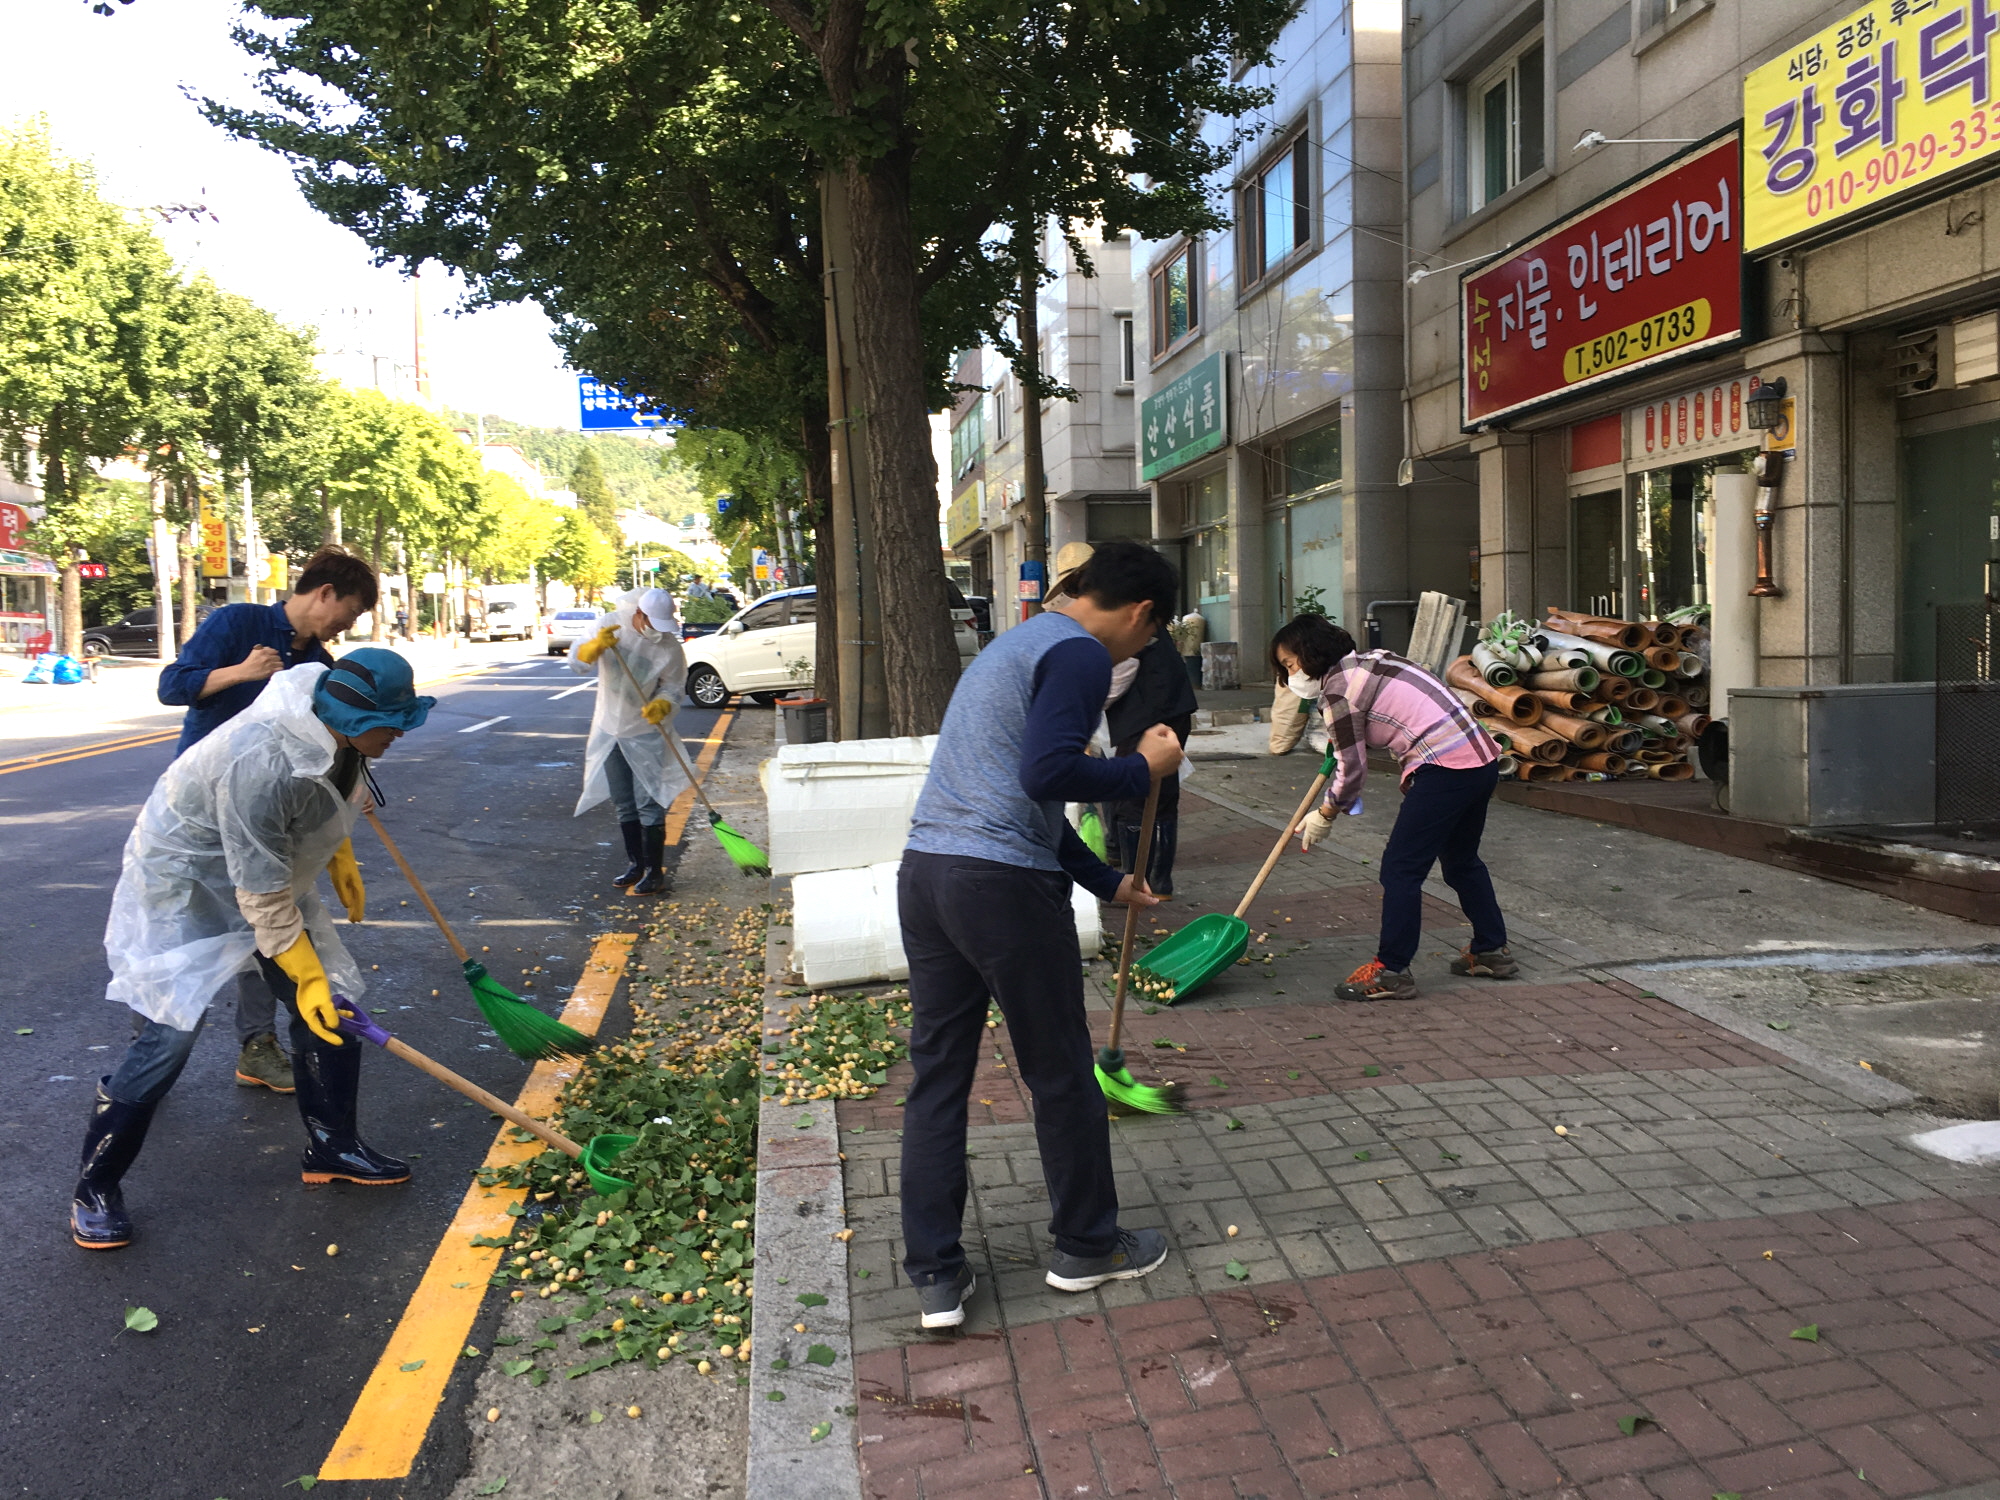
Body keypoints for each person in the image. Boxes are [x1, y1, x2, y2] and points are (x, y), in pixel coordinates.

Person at [898, 540, 1184, 1331]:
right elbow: (1046, 775)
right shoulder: (1080, 653)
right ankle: (1087, 1247)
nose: (1140, 651)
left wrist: (1105, 881)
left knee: (938, 1078)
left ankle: (935, 1275)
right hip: (1000, 890)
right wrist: (1142, 769)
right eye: (1149, 638)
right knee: (1059, 1070)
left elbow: (1014, 791)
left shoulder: (1012, 645)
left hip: (928, 875)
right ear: (1140, 613)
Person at [71, 649, 435, 1250]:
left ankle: (333, 1144)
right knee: (171, 1034)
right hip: (186, 888)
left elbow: (319, 806)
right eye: (393, 719)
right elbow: (261, 898)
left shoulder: (335, 731)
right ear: (347, 719)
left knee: (333, 1009)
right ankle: (95, 1186)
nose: (400, 730)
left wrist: (336, 851)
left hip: (264, 870)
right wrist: (305, 976)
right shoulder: (261, 764)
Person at [156, 546, 378, 1095]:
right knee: (188, 944)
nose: (345, 627)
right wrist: (241, 672)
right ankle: (151, 1056)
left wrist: (342, 829)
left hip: (270, 822)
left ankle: (257, 1046)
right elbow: (172, 685)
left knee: (266, 928)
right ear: (324, 593)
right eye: (347, 613)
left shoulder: (322, 667)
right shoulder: (239, 622)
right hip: (203, 820)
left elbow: (329, 753)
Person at [1270, 614, 1513, 1002]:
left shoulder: (1337, 693)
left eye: (1290, 664)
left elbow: (1353, 770)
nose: (1290, 675)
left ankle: (1392, 970)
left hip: (1444, 767)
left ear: (1310, 653)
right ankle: (1491, 950)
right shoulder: (1374, 662)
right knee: (1461, 861)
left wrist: (1326, 814)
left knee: (1401, 868)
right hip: (1479, 761)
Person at [571, 587, 688, 894]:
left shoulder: (670, 647)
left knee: (649, 802)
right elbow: (577, 662)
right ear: (638, 613)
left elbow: (674, 687)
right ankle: (635, 865)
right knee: (624, 803)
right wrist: (594, 647)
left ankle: (654, 871)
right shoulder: (610, 625)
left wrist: (664, 704)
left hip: (647, 732)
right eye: (650, 623)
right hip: (610, 728)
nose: (655, 631)